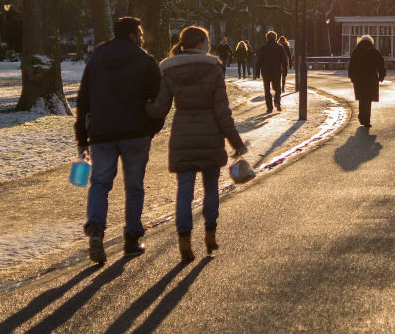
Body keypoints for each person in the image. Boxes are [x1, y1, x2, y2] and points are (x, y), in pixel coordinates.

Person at [146, 26, 246, 261]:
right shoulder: (213, 69)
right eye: (207, 41)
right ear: (201, 43)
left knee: (184, 191)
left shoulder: (170, 70)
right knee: (211, 187)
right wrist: (236, 142)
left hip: (182, 135)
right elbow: (223, 111)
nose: (209, 45)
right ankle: (210, 236)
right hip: (210, 135)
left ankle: (184, 241)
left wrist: (139, 107)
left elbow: (160, 107)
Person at [74, 16, 163, 264]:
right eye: (140, 33)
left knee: (100, 183)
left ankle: (95, 229)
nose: (142, 37)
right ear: (133, 34)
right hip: (136, 132)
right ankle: (132, 239)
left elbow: (83, 99)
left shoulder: (96, 59)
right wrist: (152, 128)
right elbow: (159, 99)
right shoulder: (145, 61)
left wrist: (82, 135)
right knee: (134, 185)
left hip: (101, 132)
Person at [348, 35, 386, 128]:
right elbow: (381, 65)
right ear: (371, 42)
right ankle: (366, 120)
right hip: (371, 79)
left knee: (362, 98)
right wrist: (381, 76)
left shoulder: (356, 52)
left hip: (359, 79)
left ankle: (362, 116)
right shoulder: (374, 52)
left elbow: (351, 65)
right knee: (368, 100)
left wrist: (352, 77)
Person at [254, 30, 288, 113]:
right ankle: (277, 102)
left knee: (267, 90)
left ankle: (269, 108)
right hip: (276, 71)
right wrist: (285, 71)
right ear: (275, 38)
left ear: (267, 38)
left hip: (265, 72)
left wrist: (257, 72)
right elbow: (284, 61)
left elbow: (259, 61)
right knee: (278, 89)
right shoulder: (280, 47)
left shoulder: (263, 48)